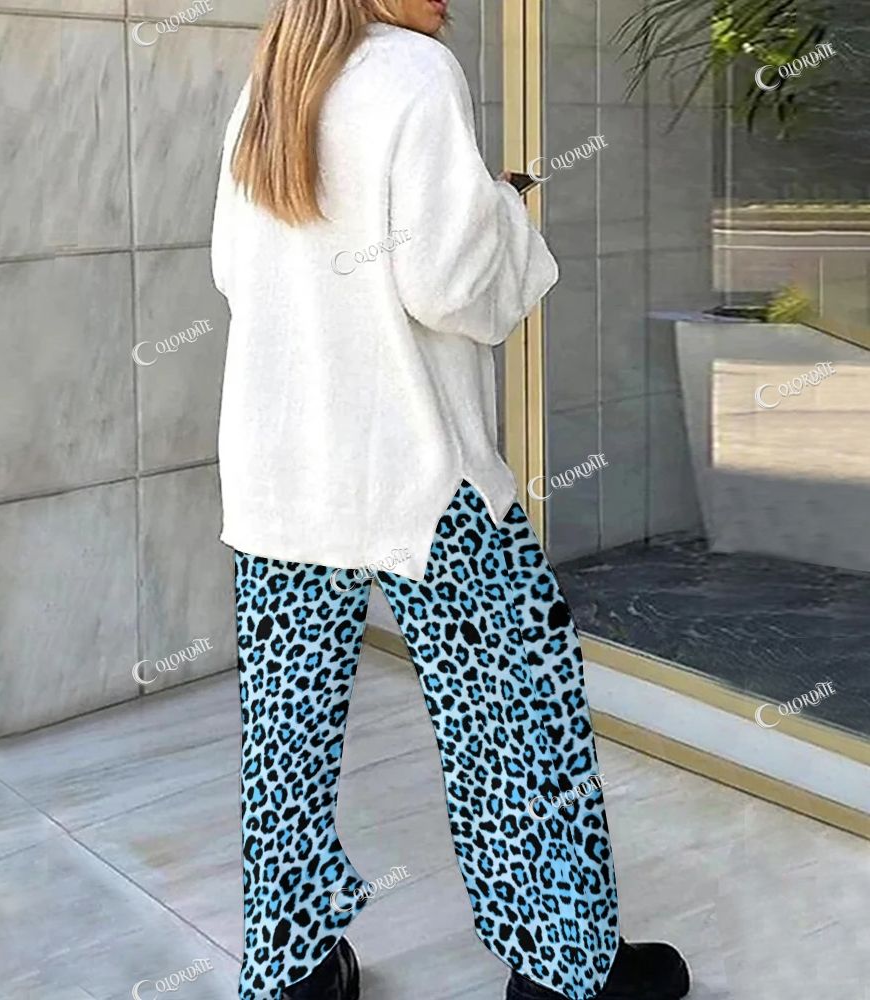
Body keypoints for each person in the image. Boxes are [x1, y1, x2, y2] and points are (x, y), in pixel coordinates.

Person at [211, 2, 691, 999]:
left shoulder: (271, 83)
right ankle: (564, 969)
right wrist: (504, 210)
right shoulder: (414, 73)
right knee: (516, 717)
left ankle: (293, 970)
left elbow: (234, 270)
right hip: (419, 479)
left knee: (285, 745)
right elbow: (452, 285)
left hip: (281, 476)